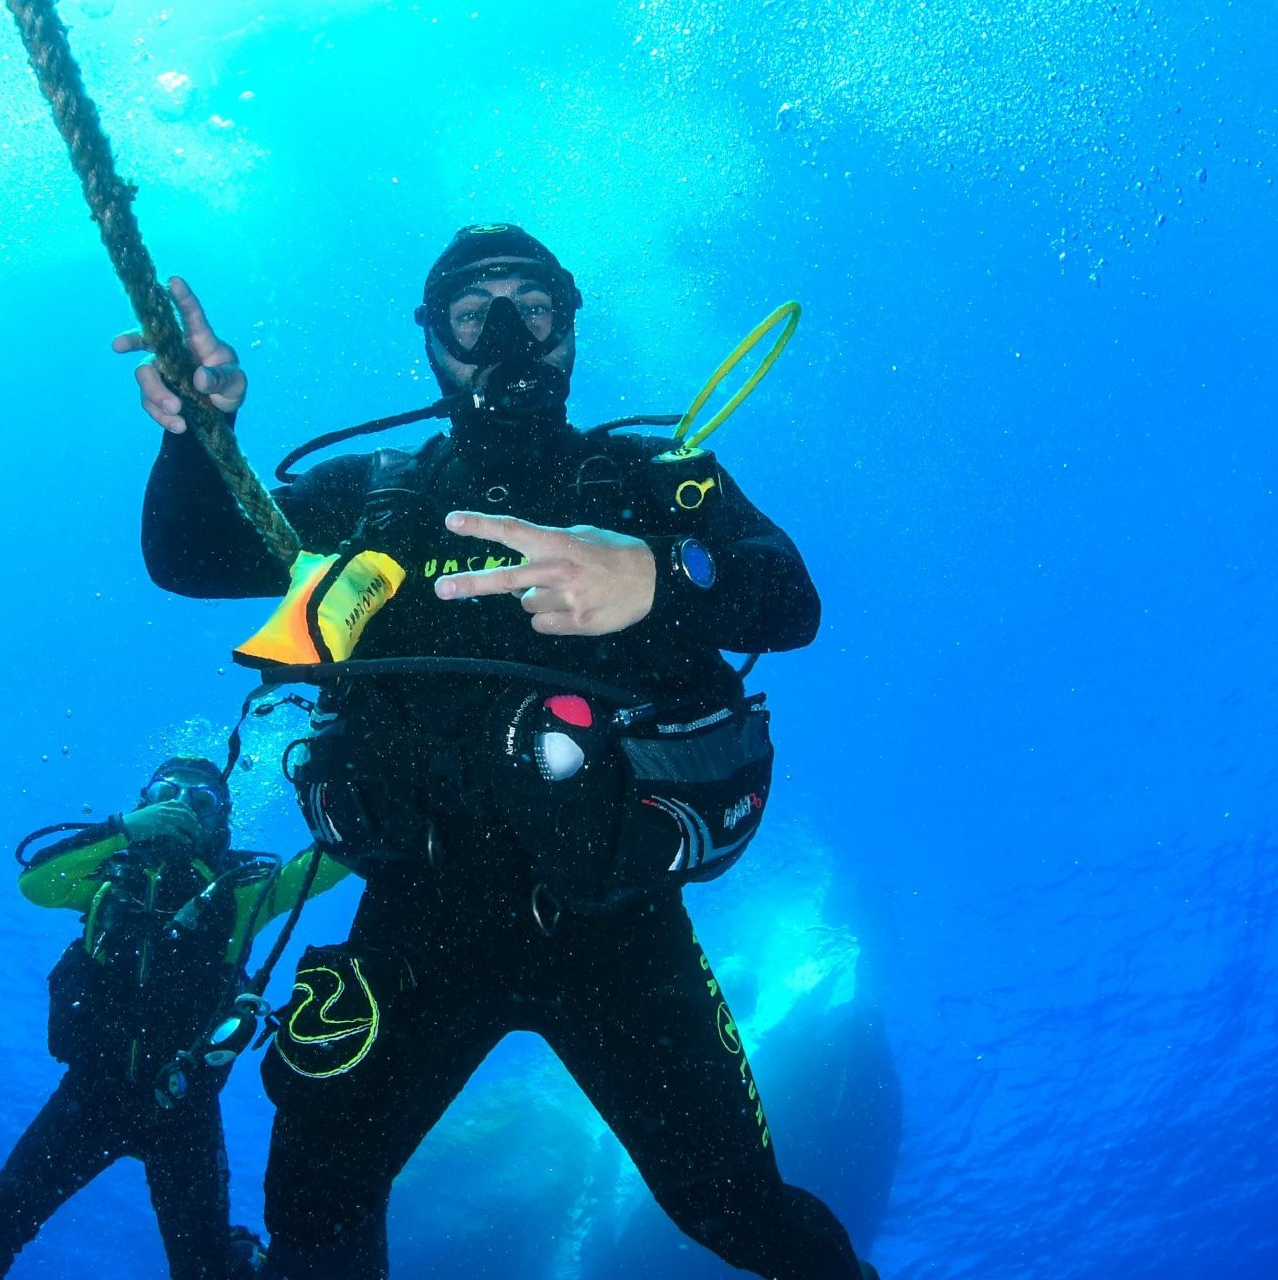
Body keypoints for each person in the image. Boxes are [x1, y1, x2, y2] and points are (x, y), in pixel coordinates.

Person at [120, 226, 874, 1279]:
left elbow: (790, 597)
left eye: (534, 305)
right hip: (415, 922)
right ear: (431, 341)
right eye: (475, 313)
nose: (509, 334)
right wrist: (194, 435)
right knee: (315, 1209)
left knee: (734, 1208)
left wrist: (663, 575)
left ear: (570, 328)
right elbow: (191, 556)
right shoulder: (374, 496)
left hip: (617, 923)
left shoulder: (653, 480)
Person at [0, 757, 349, 1280]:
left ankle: (240, 1257)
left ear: (219, 820)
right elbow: (35, 885)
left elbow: (323, 865)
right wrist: (123, 832)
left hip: (183, 1106)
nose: (179, 806)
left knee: (201, 1269)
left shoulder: (244, 889)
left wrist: (374, 807)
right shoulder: (107, 880)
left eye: (199, 801)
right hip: (89, 1095)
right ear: (143, 801)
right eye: (165, 793)